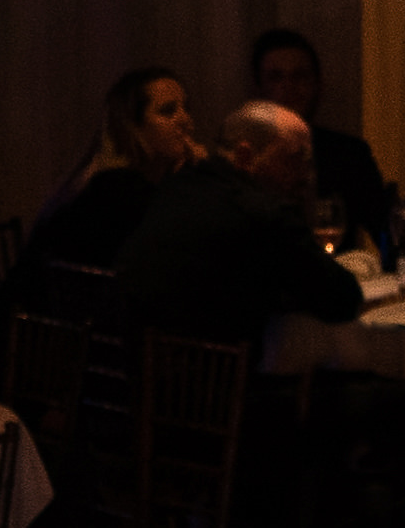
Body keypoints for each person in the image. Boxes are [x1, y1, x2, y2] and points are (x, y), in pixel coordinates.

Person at [119, 102, 370, 347]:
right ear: (245, 156)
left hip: (132, 369)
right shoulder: (265, 214)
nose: (305, 175)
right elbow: (343, 300)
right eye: (294, 159)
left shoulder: (179, 186)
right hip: (213, 381)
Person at [31, 64, 202, 273]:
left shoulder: (150, 185)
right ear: (132, 127)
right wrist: (200, 176)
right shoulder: (116, 189)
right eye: (168, 112)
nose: (185, 120)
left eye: (186, 108)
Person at [243, 25, 400, 239]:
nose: (289, 86)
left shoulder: (349, 154)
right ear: (258, 88)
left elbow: (384, 230)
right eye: (276, 77)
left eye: (300, 76)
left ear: (318, 85)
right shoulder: (243, 156)